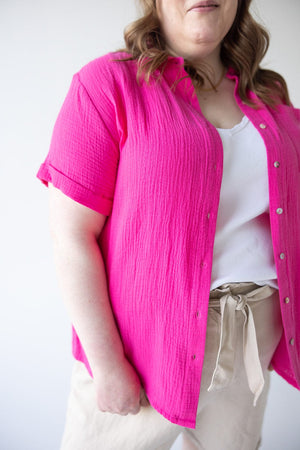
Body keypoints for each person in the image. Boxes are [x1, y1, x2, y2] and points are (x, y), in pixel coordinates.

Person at [36, 0, 300, 448]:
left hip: (250, 332)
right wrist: (106, 363)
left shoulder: (268, 93)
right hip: (142, 349)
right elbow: (71, 236)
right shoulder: (108, 85)